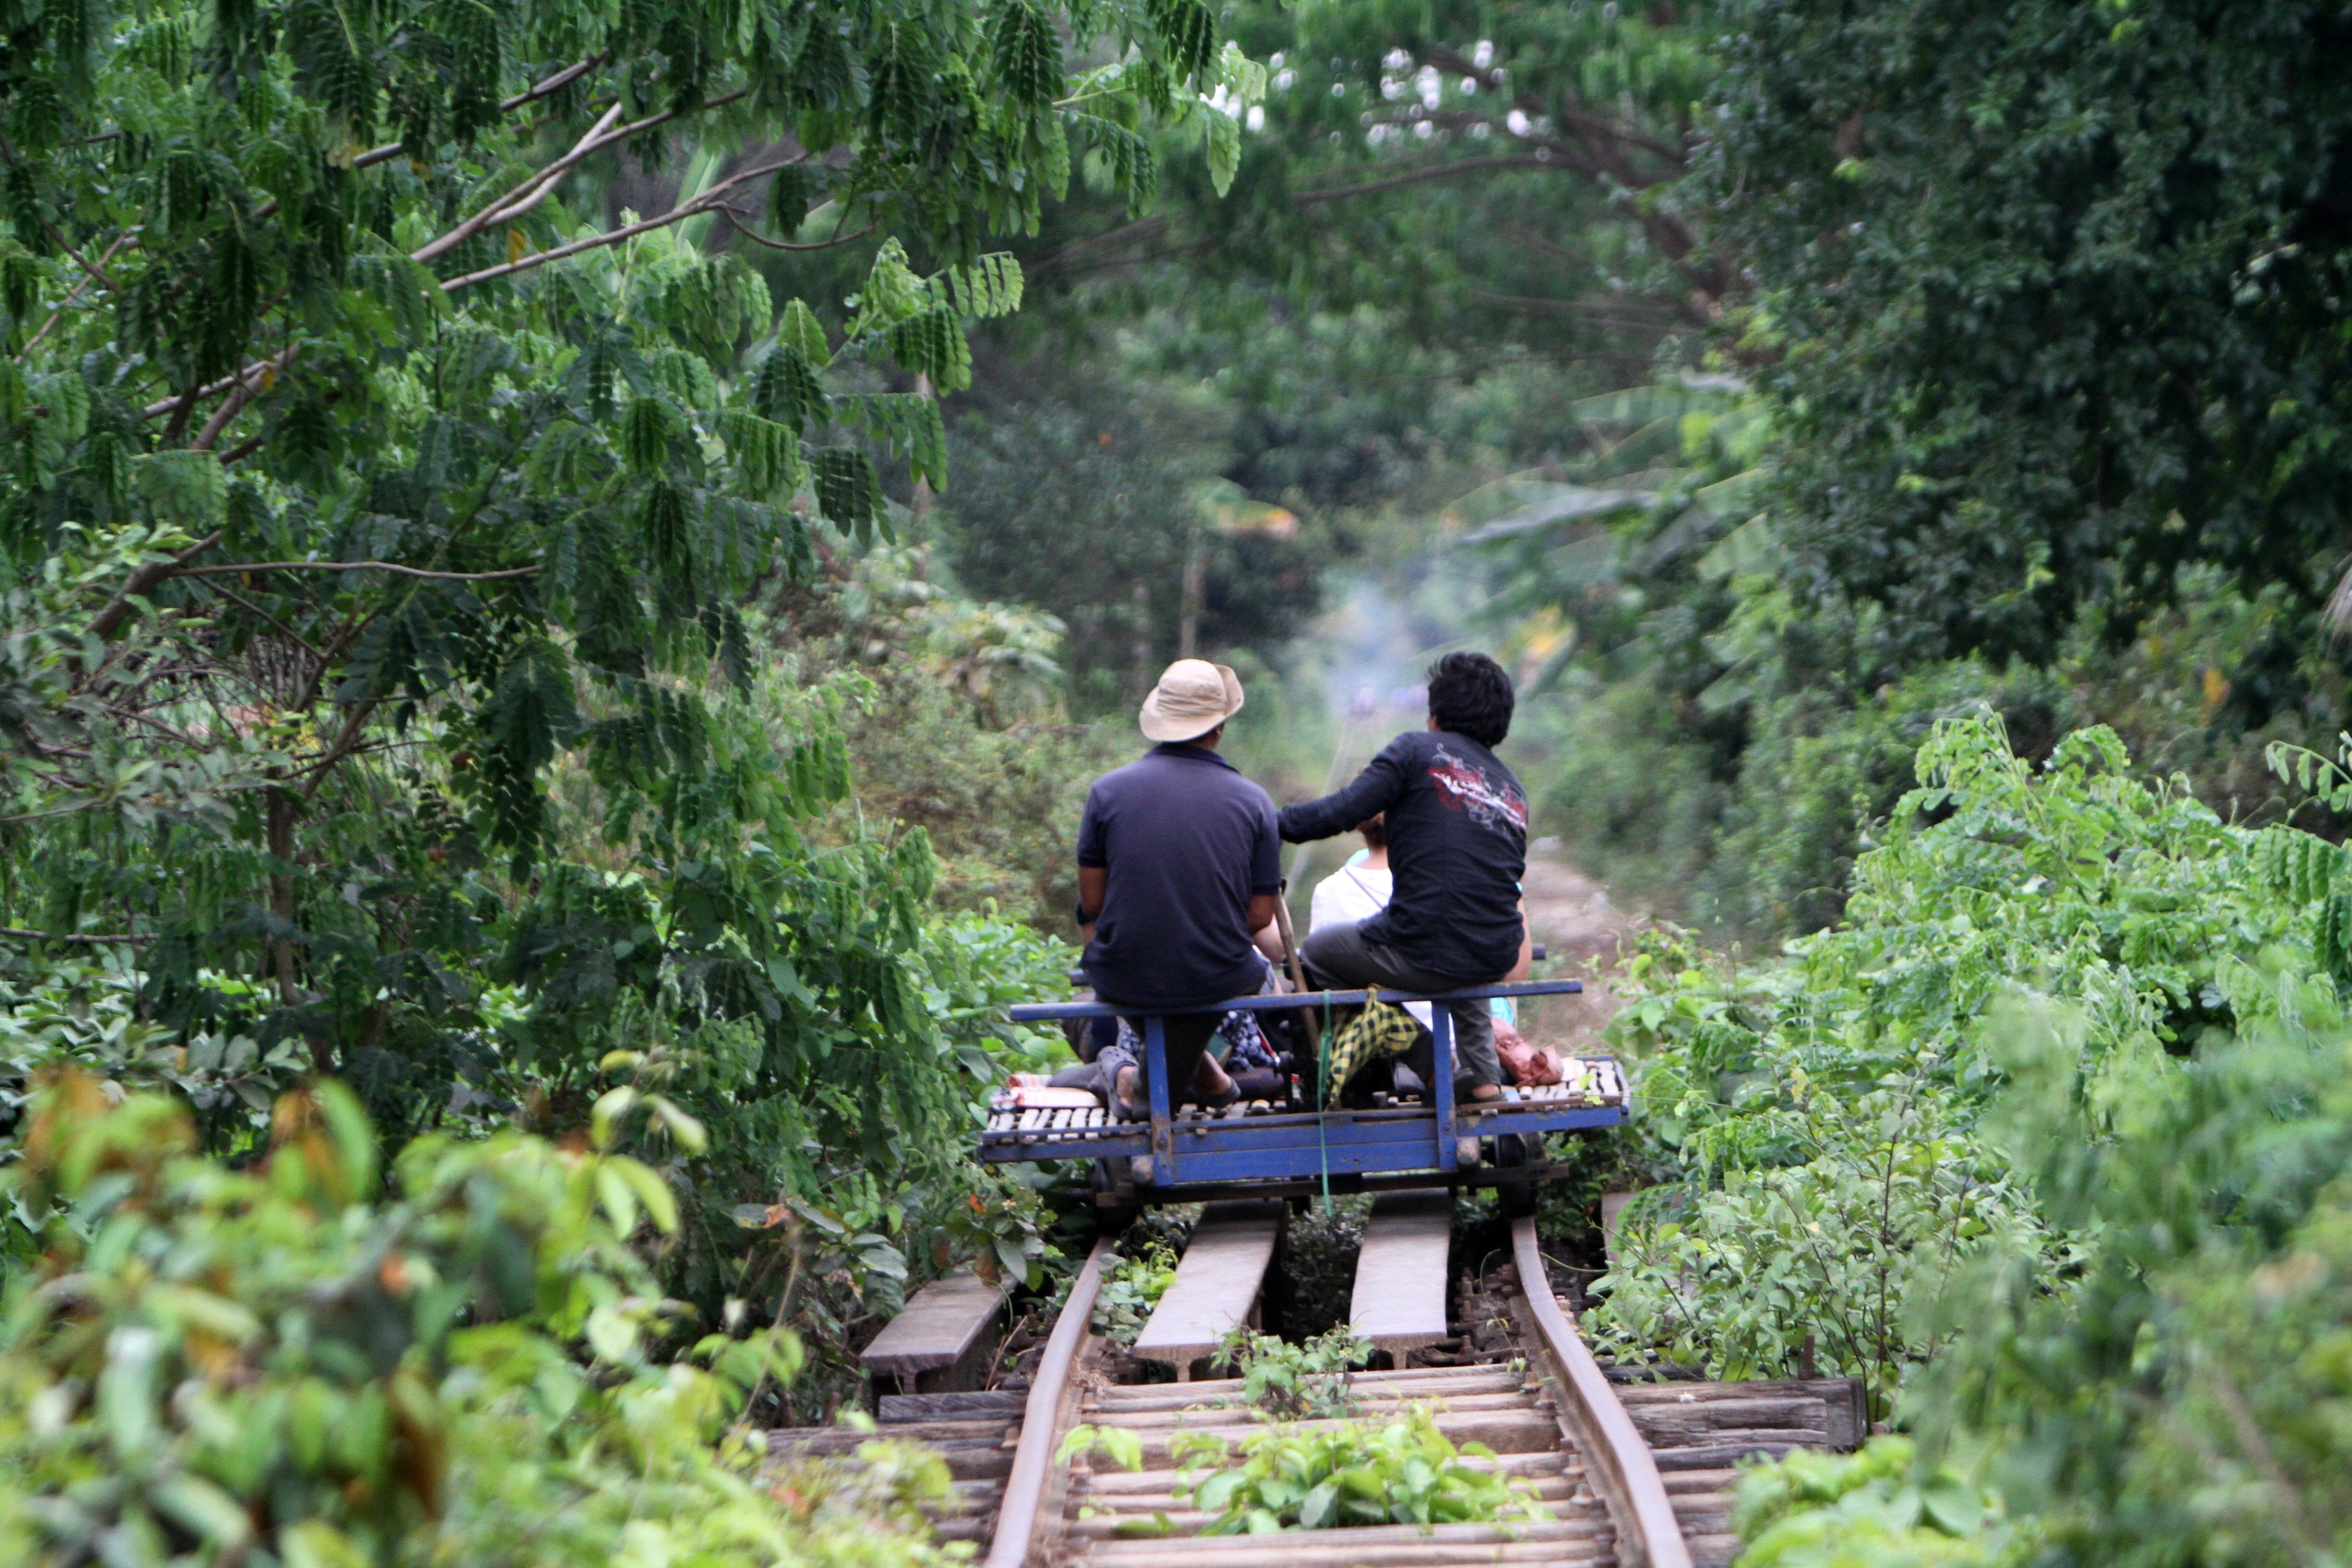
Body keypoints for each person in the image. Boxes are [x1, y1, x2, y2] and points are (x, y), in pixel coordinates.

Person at [1276, 652, 1529, 1103]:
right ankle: (1482, 1074)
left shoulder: (1415, 752)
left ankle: (1340, 1079)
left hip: (1424, 944)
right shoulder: (1511, 789)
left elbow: (1342, 810)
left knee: (1315, 955)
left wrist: (1270, 824)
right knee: (1463, 948)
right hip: (1494, 953)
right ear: (1500, 723)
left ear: (1435, 716)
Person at [1077, 659, 1284, 1117]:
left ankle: (1145, 1075)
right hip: (1216, 975)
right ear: (1220, 726)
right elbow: (1258, 918)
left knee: (1134, 983)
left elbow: (1092, 903)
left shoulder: (1106, 792)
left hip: (1123, 973)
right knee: (1248, 974)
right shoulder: (1254, 801)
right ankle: (1183, 1077)